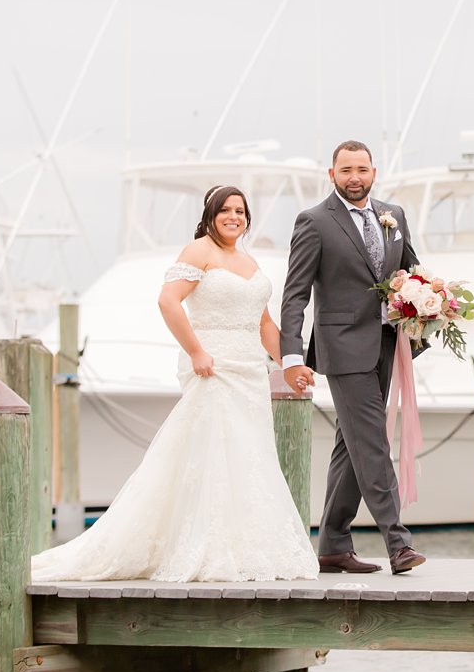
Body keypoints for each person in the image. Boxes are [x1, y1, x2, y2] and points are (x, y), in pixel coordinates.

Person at [32, 185, 319, 583]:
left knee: (248, 456)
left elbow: (264, 323)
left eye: (240, 211)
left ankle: (244, 547)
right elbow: (169, 302)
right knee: (214, 452)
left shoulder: (248, 260)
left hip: (250, 371)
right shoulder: (199, 250)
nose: (234, 217)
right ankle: (203, 547)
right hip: (213, 368)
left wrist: (291, 364)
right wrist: (197, 350)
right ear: (210, 215)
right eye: (225, 211)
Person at [280, 140, 427, 575]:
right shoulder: (314, 222)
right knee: (372, 441)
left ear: (374, 172)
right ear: (332, 175)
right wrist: (291, 355)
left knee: (353, 444)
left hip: (387, 344)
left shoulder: (393, 215)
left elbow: (411, 271)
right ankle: (398, 543)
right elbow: (295, 294)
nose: (354, 177)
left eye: (362, 169)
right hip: (342, 347)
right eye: (345, 170)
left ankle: (332, 546)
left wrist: (431, 297)